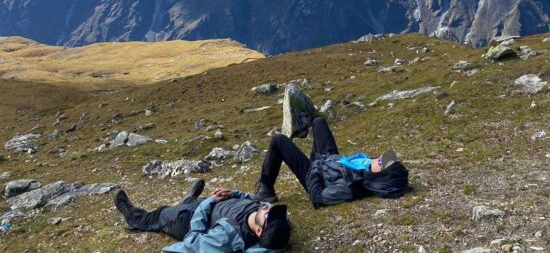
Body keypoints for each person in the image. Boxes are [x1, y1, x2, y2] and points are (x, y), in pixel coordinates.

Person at [249, 117, 409, 208]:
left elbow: (318, 198)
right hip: (330, 160)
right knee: (318, 122)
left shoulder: (351, 187)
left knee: (278, 141)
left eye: (381, 161)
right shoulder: (368, 168)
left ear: (379, 177)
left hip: (314, 173)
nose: (379, 156)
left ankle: (266, 189)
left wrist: (315, 170)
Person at [114, 178, 291, 252]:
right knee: (190, 203)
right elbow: (254, 202)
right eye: (273, 211)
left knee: (159, 214)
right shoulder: (264, 211)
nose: (268, 209)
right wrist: (234, 193)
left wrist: (208, 202)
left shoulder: (225, 237)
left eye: (269, 216)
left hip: (188, 219)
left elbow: (191, 241)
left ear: (259, 231)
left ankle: (132, 216)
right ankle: (189, 199)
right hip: (209, 204)